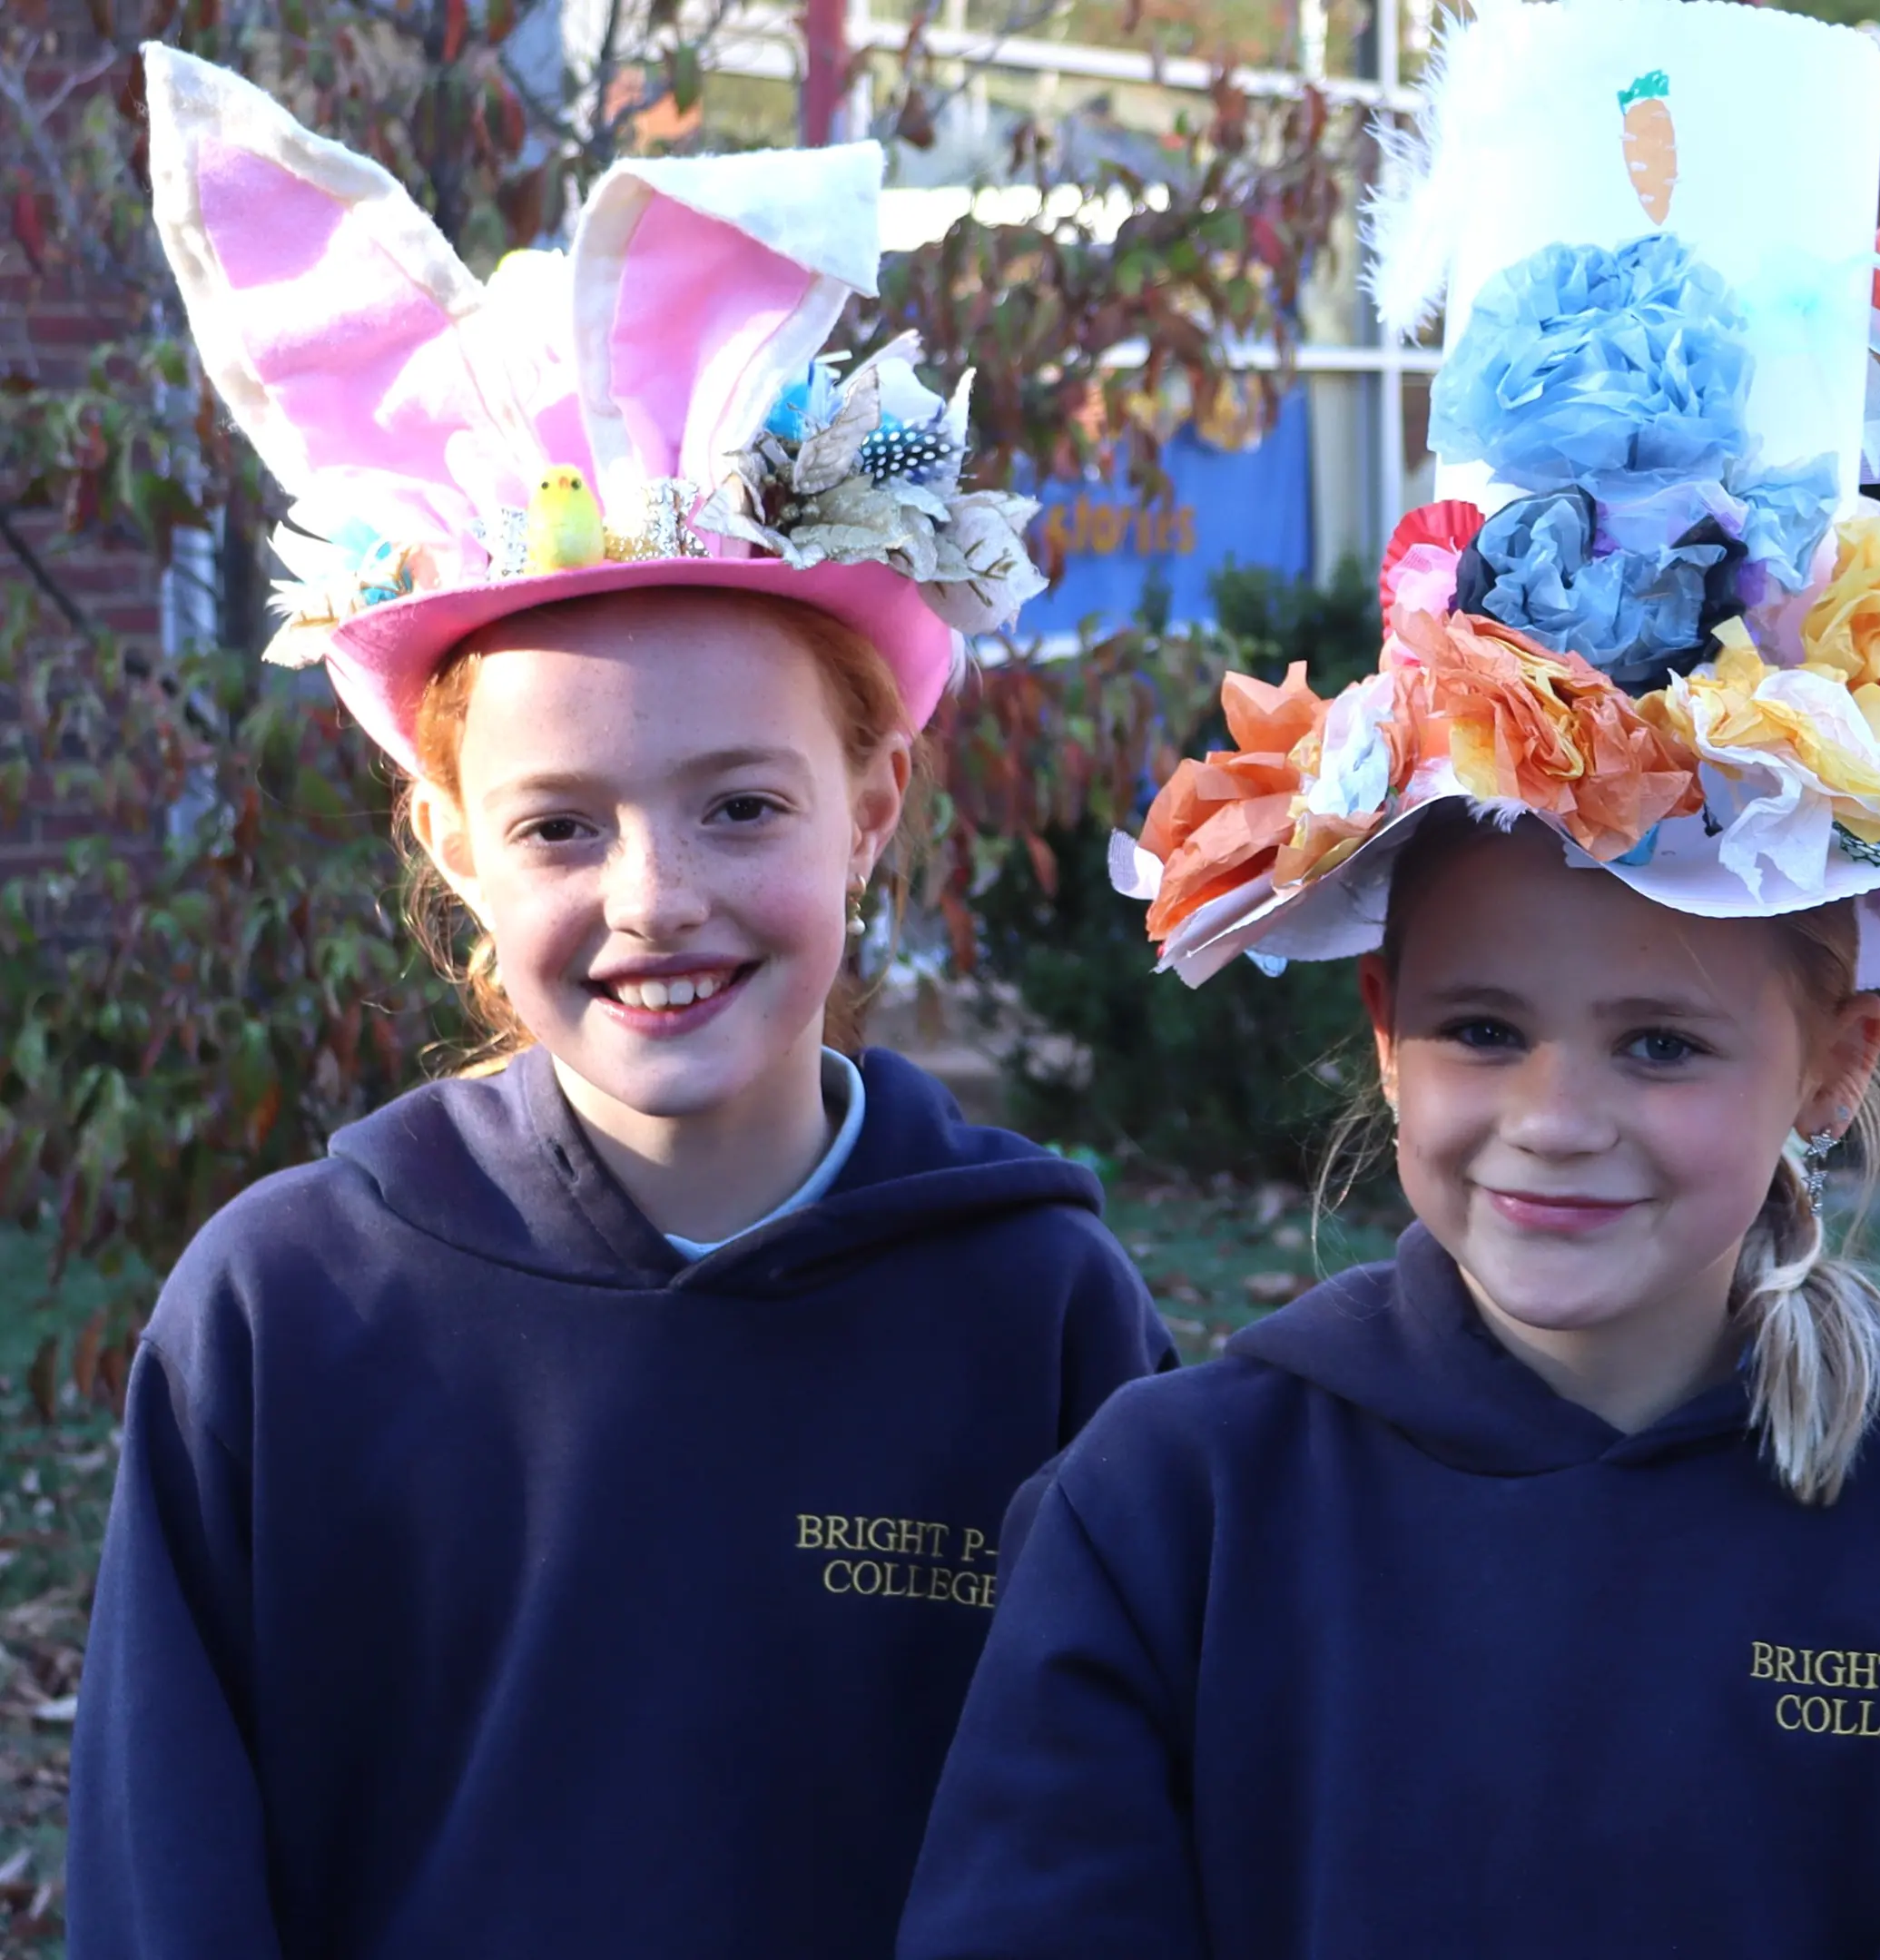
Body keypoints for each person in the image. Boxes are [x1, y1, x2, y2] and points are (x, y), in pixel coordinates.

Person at [894, 3, 1880, 1952]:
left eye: (1662, 1038)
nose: (1556, 1117)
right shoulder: (1175, 1511)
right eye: (1485, 1027)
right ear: (1383, 1033)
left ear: (1837, 1059)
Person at [70, 48, 1161, 1959]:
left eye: (741, 804)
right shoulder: (282, 1316)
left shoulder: (1037, 1310)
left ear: (873, 805)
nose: (656, 896)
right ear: (457, 847)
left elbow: (1130, 1844)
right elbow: (168, 1873)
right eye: (561, 824)